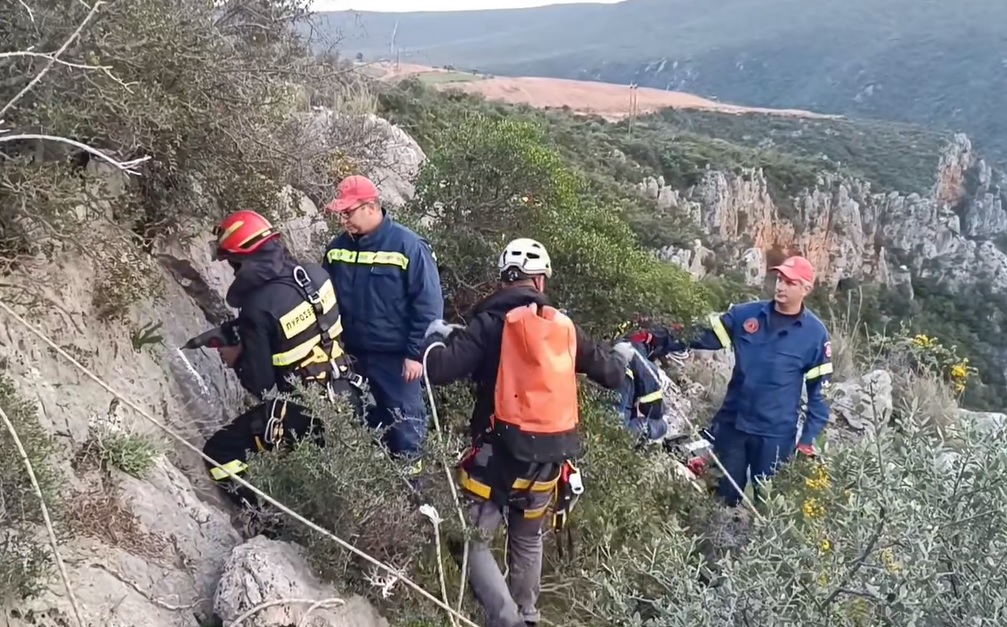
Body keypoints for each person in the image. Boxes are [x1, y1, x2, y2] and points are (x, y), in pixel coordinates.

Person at [420, 237, 634, 627]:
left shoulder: (489, 323)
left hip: (498, 456)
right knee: (528, 536)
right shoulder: (563, 327)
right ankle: (527, 615)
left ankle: (506, 620)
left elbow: (438, 369)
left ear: (504, 279)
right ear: (539, 281)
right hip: (551, 458)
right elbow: (612, 374)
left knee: (469, 536)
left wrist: (437, 336)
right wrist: (622, 354)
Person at [202, 210, 363, 510]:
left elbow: (261, 386)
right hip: (347, 392)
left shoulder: (256, 307)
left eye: (231, 262)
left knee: (220, 453)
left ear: (242, 260)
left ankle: (265, 519)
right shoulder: (314, 274)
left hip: (304, 413)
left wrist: (238, 357)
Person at [640, 255, 833, 506]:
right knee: (722, 499)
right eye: (779, 279)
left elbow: (820, 394)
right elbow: (701, 334)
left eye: (790, 282)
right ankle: (720, 531)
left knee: (770, 505)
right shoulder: (746, 315)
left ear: (806, 289)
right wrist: (656, 338)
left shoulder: (815, 335)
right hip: (733, 427)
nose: (781, 286)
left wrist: (807, 441)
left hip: (775, 436)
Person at [322, 175, 443, 469]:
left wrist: (415, 354)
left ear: (371, 207)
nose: (344, 220)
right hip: (351, 357)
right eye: (341, 214)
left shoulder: (408, 246)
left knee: (405, 428)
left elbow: (429, 306)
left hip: (397, 361)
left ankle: (411, 489)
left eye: (348, 212)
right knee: (355, 425)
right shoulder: (336, 249)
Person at [616, 332, 668, 445]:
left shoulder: (608, 348)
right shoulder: (641, 364)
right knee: (661, 426)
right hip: (618, 430)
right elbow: (653, 410)